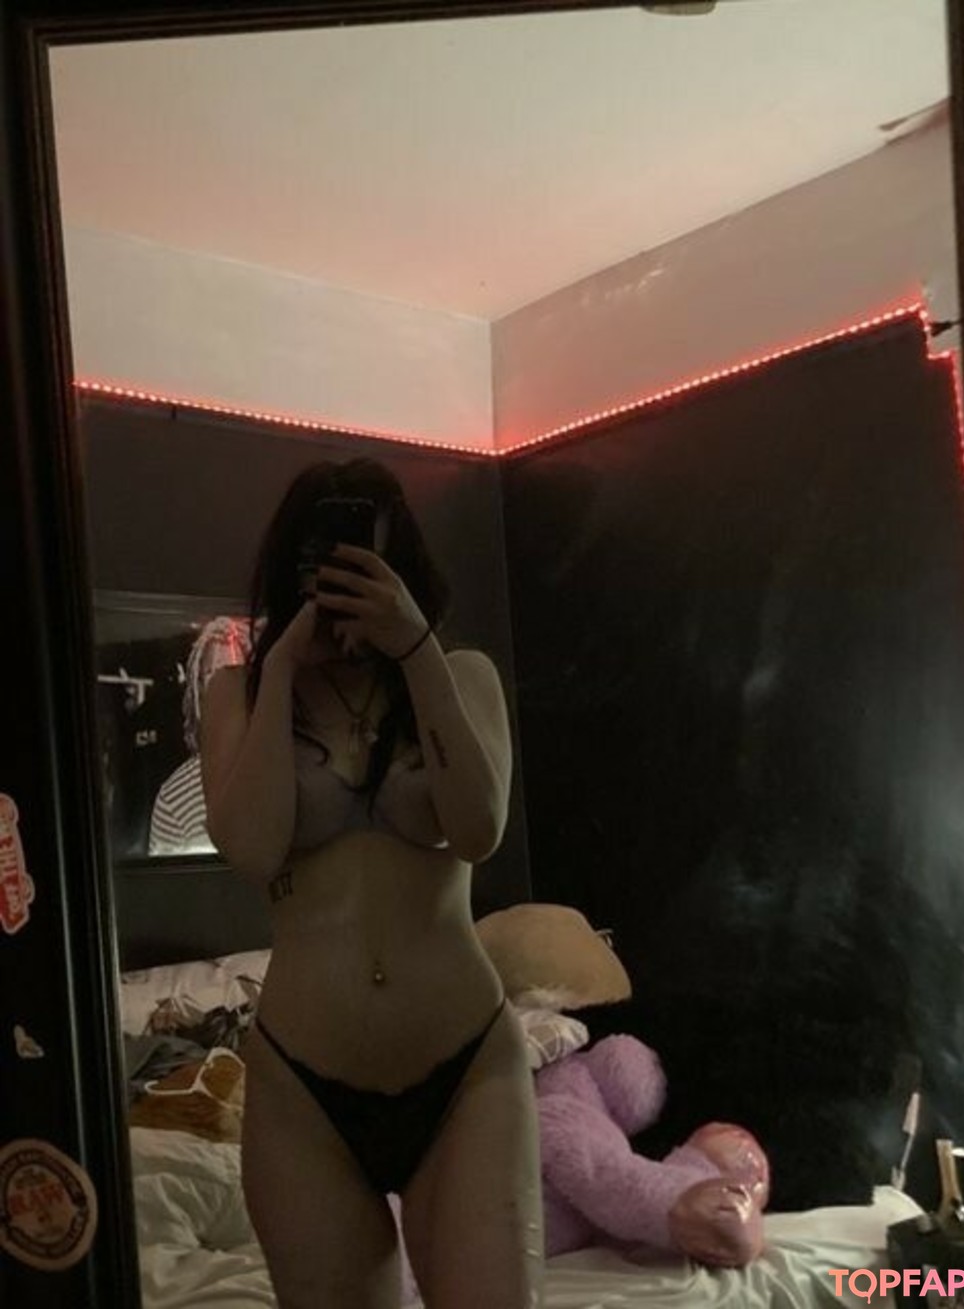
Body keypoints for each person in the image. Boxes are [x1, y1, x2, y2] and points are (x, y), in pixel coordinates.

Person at [200, 457, 543, 1309]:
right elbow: (253, 848)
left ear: (403, 566)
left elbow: (479, 827)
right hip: (303, 1091)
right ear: (294, 566)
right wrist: (283, 666)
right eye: (329, 560)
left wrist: (416, 648)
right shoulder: (238, 694)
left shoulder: (463, 676)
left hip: (465, 1069)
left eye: (368, 560)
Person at [149, 616, 251, 856]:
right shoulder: (174, 801)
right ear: (199, 693)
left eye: (239, 677)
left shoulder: (293, 771)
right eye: (215, 679)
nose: (228, 693)